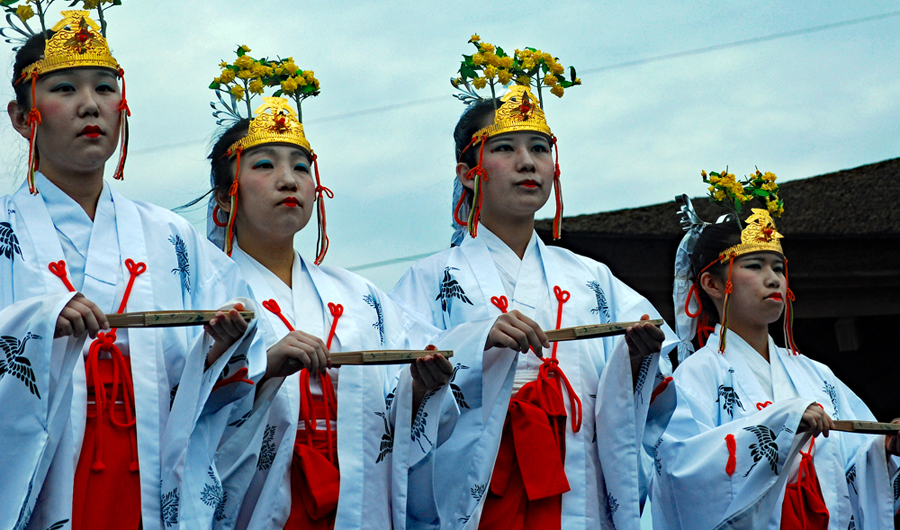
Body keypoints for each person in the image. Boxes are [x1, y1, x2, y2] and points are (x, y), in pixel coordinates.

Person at [0, 0, 261, 530]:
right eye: (64, 88)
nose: (90, 104)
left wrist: (217, 347)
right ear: (22, 117)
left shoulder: (172, 237)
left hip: (146, 461)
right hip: (42, 469)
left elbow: (231, 362)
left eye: (105, 88)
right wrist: (37, 321)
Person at [390, 37, 676, 530]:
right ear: (468, 173)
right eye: (505, 148)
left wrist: (635, 360)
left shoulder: (592, 278)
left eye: (539, 149)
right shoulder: (430, 278)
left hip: (575, 475)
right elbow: (393, 387)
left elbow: (657, 377)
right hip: (482, 479)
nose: (528, 162)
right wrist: (475, 343)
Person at [199, 48, 455, 530]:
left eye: (301, 166)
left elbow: (407, 407)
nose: (288, 180)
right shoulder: (204, 291)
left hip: (355, 499)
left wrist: (421, 388)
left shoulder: (359, 297)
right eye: (264, 165)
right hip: (261, 502)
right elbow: (172, 411)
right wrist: (264, 369)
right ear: (224, 196)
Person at [651, 172, 900, 529]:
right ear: (712, 284)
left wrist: (884, 448)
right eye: (754, 266)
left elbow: (849, 464)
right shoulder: (696, 376)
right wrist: (782, 422)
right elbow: (682, 474)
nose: (773, 279)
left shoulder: (817, 375)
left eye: (779, 268)